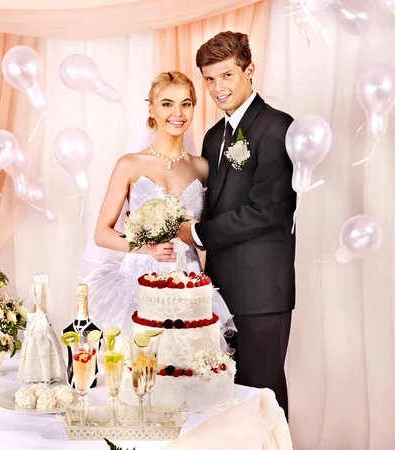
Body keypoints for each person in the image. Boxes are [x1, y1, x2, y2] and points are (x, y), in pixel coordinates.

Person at [175, 31, 296, 419]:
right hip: (220, 292)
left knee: (264, 397)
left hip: (262, 292)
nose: (217, 88)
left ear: (249, 71)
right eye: (209, 79)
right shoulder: (214, 137)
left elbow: (267, 211)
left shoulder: (278, 127)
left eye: (227, 75)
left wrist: (195, 232)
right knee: (226, 398)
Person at [83, 71, 233, 340]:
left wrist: (194, 232)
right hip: (136, 286)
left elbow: (208, 235)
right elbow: (102, 233)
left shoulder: (202, 167)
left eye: (186, 104)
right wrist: (148, 248)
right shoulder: (129, 164)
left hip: (188, 286)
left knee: (187, 367)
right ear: (151, 109)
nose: (178, 113)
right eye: (167, 103)